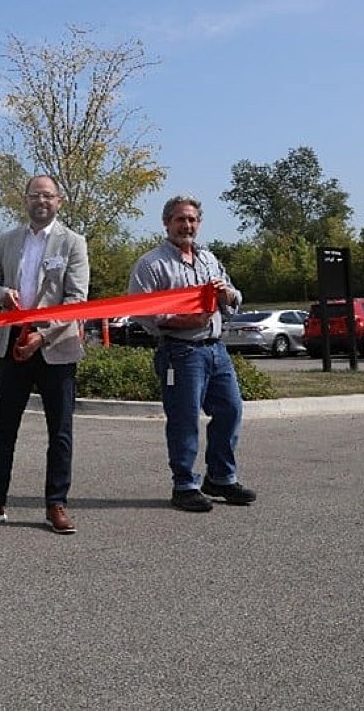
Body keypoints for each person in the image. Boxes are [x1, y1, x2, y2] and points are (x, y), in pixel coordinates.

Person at [0, 174, 90, 534]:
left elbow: (76, 301)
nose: (41, 201)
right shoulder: (8, 240)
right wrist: (0, 293)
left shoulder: (73, 242)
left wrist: (42, 337)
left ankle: (56, 504)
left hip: (55, 347)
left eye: (48, 196)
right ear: (25, 200)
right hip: (12, 344)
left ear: (59, 201)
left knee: (59, 431)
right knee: (2, 428)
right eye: (35, 195)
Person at [128, 195, 257, 513]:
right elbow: (142, 312)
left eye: (192, 220)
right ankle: (185, 485)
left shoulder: (209, 259)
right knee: (184, 420)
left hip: (215, 349)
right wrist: (183, 321)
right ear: (167, 223)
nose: (187, 225)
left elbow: (234, 296)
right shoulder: (152, 264)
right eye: (180, 219)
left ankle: (221, 478)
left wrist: (228, 295)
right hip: (180, 353)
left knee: (230, 410)